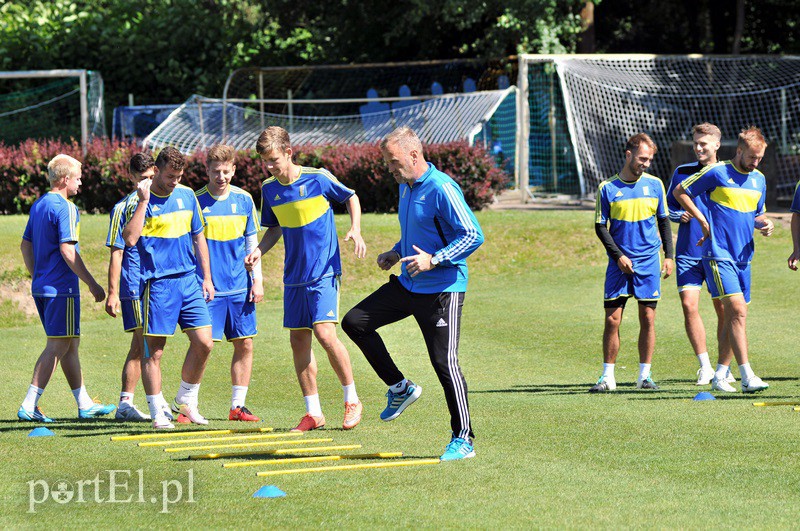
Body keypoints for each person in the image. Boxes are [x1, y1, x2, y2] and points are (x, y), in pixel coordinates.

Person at [341, 126, 484, 462]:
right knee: (355, 322)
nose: (390, 169)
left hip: (442, 291)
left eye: (393, 162)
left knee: (444, 363)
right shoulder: (406, 187)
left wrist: (434, 260)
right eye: (388, 163)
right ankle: (400, 387)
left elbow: (473, 235)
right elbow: (419, 233)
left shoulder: (442, 188)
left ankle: (463, 439)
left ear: (414, 155)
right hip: (408, 283)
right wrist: (396, 251)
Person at [244, 126, 366, 432]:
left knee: (325, 334)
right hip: (293, 277)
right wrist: (259, 250)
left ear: (288, 151)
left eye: (273, 159)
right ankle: (314, 413)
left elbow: (351, 197)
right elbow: (274, 228)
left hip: (324, 270)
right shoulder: (269, 189)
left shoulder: (318, 177)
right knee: (298, 339)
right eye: (265, 161)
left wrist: (355, 228)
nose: (269, 166)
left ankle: (352, 399)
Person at [673, 126, 774, 393]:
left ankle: (719, 373)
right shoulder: (717, 172)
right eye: (752, 157)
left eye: (759, 158)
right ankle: (747, 376)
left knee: (735, 315)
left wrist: (765, 224)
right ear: (739, 151)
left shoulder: (759, 179)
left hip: (744, 258)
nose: (755, 162)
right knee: (737, 310)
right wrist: (702, 219)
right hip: (718, 254)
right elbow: (680, 192)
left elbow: (755, 214)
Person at [122, 146, 215, 428]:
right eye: (170, 176)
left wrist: (207, 278)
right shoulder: (139, 199)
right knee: (155, 351)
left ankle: (185, 401)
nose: (175, 181)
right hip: (158, 284)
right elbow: (129, 238)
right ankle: (157, 411)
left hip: (188, 281)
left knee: (205, 343)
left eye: (180, 175)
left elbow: (199, 238)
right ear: (157, 171)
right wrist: (142, 202)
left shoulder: (187, 196)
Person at [18, 154, 115, 422]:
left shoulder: (38, 205)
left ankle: (84, 404)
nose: (81, 183)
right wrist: (93, 284)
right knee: (58, 345)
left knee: (70, 344)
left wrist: (38, 274)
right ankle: (29, 404)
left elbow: (25, 245)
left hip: (43, 288)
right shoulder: (66, 207)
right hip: (62, 289)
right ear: (64, 179)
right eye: (78, 178)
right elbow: (67, 250)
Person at [591, 133, 674, 393]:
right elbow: (600, 226)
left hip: (649, 261)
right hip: (619, 264)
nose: (646, 163)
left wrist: (669, 256)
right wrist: (618, 256)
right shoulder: (607, 188)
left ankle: (644, 377)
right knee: (612, 320)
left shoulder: (655, 185)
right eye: (642, 158)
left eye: (649, 159)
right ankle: (607, 378)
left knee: (648, 318)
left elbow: (664, 221)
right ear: (628, 155)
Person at [196, 145, 263, 422]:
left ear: (234, 170)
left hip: (240, 286)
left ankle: (237, 406)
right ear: (207, 170)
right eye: (215, 171)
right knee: (202, 346)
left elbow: (252, 244)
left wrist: (257, 281)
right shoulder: (195, 200)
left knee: (244, 344)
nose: (221, 176)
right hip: (208, 288)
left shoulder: (245, 199)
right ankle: (187, 405)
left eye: (226, 171)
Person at [666, 123, 735, 386]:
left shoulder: (728, 173)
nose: (698, 148)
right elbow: (669, 207)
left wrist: (760, 222)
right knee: (688, 306)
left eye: (703, 144)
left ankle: (722, 368)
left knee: (723, 309)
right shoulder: (682, 172)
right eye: (695, 143)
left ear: (717, 144)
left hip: (717, 253)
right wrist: (677, 215)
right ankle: (704, 366)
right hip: (687, 251)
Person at [104, 153, 156, 421]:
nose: (147, 184)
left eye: (151, 178)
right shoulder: (122, 208)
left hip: (155, 284)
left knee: (145, 346)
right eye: (142, 179)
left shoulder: (159, 203)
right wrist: (112, 292)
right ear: (132, 178)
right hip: (133, 286)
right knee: (143, 344)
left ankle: (129, 402)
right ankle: (142, 403)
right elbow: (117, 252)